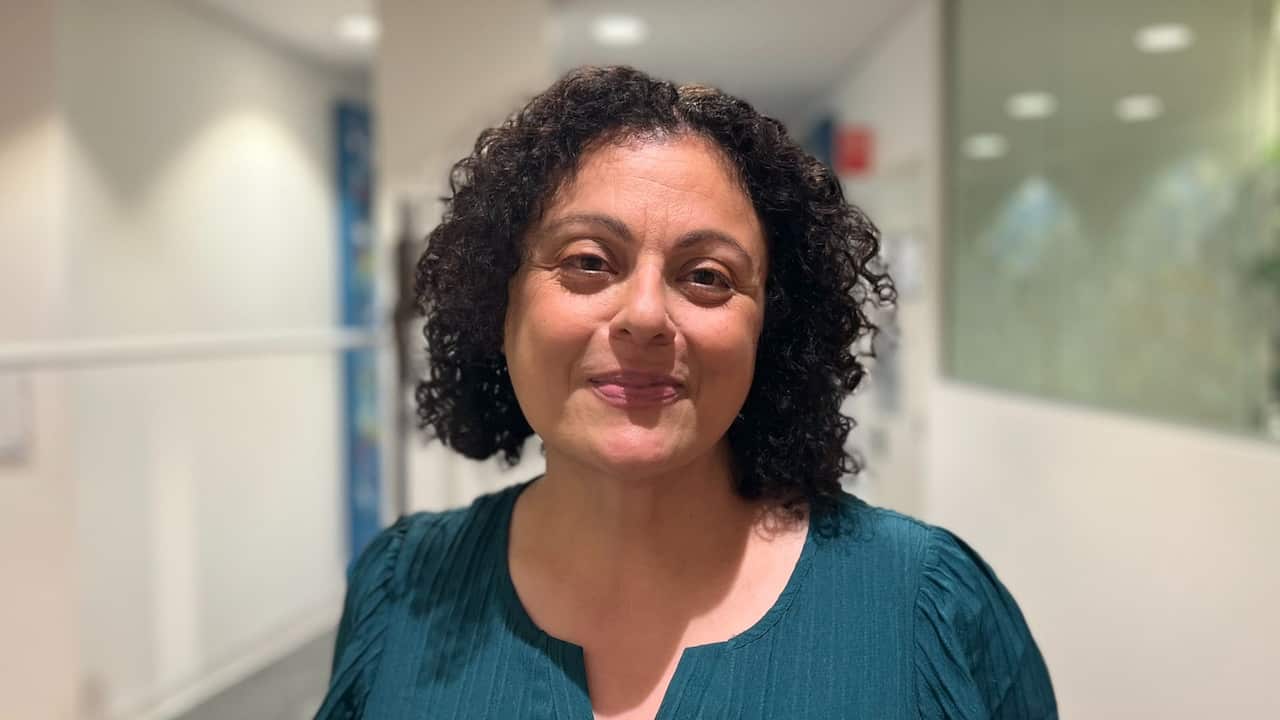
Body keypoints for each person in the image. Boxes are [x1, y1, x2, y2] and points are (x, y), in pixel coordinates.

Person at [315, 66, 1056, 719]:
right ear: (499, 307)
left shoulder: (924, 606)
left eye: (708, 276)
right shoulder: (403, 588)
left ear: (772, 328)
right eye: (586, 260)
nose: (644, 317)